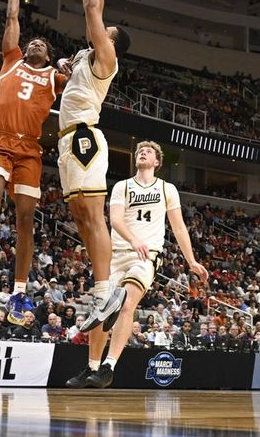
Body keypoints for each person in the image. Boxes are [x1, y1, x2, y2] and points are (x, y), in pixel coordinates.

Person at [0, 0, 67, 320]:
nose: (34, 44)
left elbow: (87, 75)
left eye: (41, 44)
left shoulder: (55, 79)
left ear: (48, 55)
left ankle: (18, 292)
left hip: (30, 149)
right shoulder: (11, 60)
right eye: (32, 42)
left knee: (27, 219)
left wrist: (69, 67)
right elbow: (13, 19)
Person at [77, 140, 208, 388]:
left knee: (125, 303)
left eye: (147, 151)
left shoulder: (167, 189)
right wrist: (134, 239)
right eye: (139, 151)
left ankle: (109, 366)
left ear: (157, 162)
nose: (142, 153)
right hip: (117, 253)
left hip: (146, 256)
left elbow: (178, 227)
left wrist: (191, 261)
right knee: (103, 307)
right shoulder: (122, 187)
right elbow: (115, 220)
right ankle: (92, 367)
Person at [57, 0, 131, 344]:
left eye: (107, 31)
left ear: (112, 43)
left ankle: (105, 292)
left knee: (93, 215)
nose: (102, 29)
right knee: (81, 219)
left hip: (85, 137)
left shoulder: (107, 57)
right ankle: (103, 291)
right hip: (68, 140)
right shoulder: (89, 54)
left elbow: (91, 10)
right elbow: (97, 8)